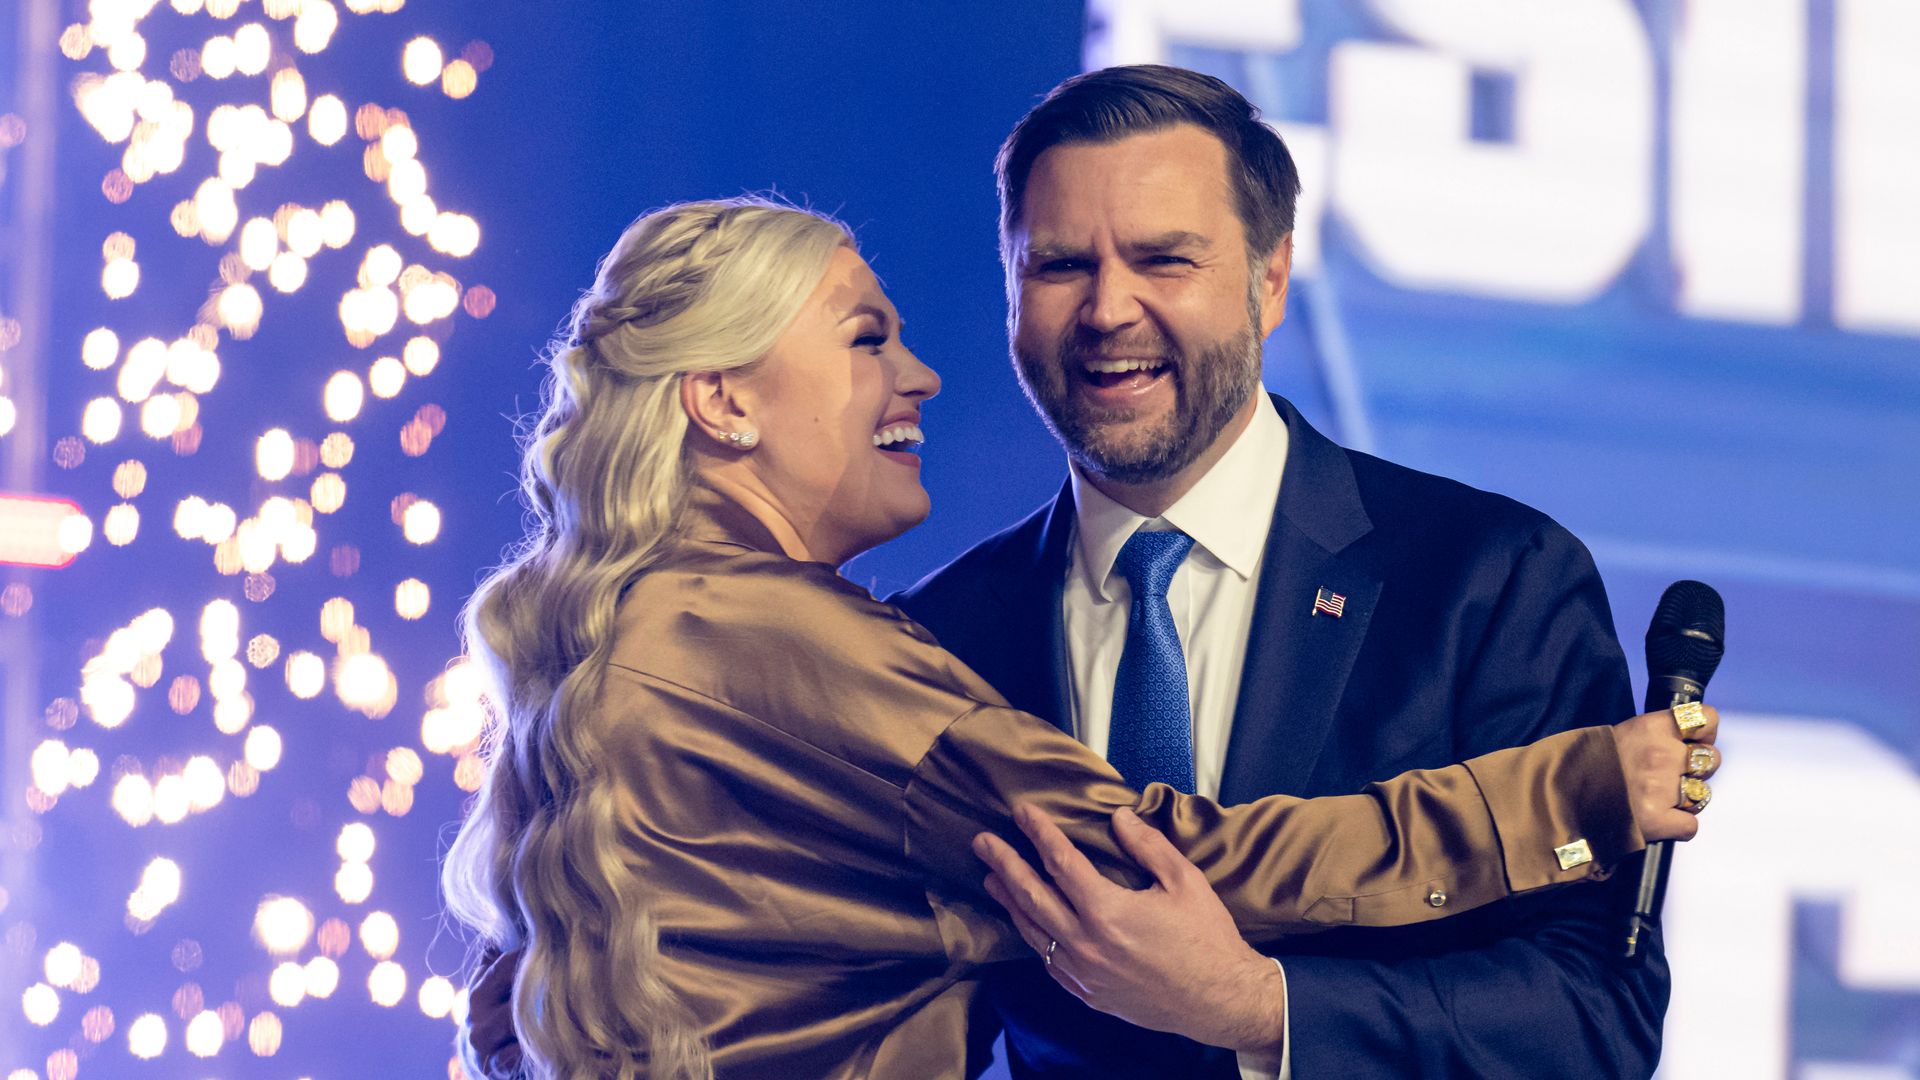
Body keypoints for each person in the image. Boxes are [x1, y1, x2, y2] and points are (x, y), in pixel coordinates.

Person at [442, 198, 1718, 1080]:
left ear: (1269, 277)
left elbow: (507, 1014)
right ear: (720, 401)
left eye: (1165, 258)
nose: (921, 374)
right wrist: (1572, 791)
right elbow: (1144, 864)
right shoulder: (812, 632)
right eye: (865, 336)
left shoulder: (617, 633)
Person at [892, 65, 1677, 1079]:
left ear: (1270, 282)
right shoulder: (938, 641)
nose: (1107, 309)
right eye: (1058, 265)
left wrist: (1262, 1010)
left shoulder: (1490, 580)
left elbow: (1596, 1021)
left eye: (1164, 259)